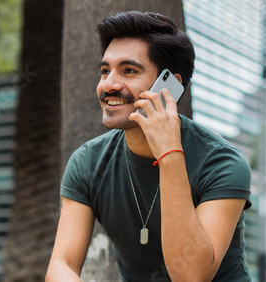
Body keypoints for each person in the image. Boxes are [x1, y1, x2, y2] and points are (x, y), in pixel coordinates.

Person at [46, 11, 252, 282]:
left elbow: (190, 277)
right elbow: (62, 265)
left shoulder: (223, 164)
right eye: (105, 71)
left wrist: (169, 154)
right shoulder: (87, 162)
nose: (108, 85)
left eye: (129, 71)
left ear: (169, 87)